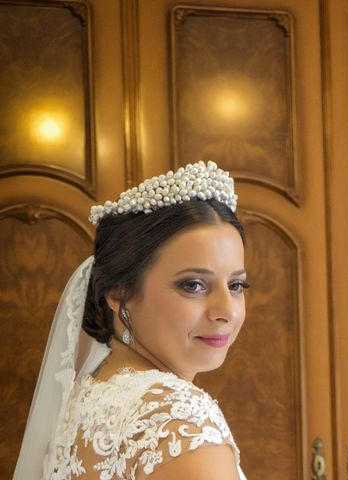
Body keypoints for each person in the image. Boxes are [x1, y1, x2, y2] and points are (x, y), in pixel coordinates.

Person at [13, 161, 249, 479]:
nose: (227, 311)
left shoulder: (86, 395)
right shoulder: (181, 421)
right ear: (118, 295)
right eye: (193, 285)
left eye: (236, 285)